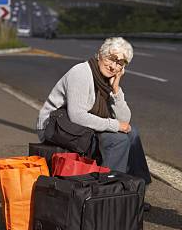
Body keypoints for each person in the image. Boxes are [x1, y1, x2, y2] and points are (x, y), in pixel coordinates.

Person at [37, 37, 152, 187]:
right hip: (55, 127)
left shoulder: (108, 81)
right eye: (111, 58)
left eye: (119, 63)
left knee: (133, 133)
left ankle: (136, 190)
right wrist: (115, 125)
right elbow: (77, 116)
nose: (113, 66)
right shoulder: (81, 73)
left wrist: (116, 89)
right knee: (118, 141)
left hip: (78, 128)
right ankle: (108, 193)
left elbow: (125, 120)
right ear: (100, 54)